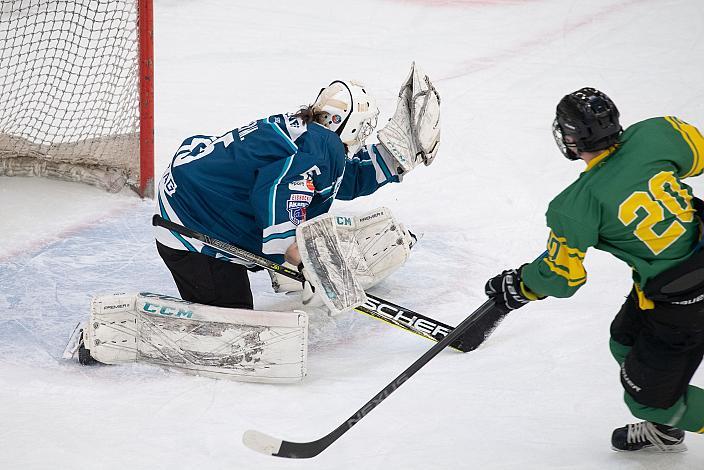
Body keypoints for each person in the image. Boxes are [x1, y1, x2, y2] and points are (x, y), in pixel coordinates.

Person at [484, 87, 704, 452]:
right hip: (672, 281)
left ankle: (662, 418)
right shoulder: (658, 133)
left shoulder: (576, 205)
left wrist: (521, 284)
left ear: (570, 139)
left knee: (648, 401)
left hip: (684, 302)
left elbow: (563, 277)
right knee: (624, 341)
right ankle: (665, 429)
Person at [154, 75, 439, 311]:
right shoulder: (320, 148)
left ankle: (281, 254)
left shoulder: (309, 134)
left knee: (293, 232)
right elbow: (276, 190)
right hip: (191, 229)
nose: (363, 134)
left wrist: (392, 160)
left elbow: (341, 180)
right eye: (363, 127)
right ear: (350, 123)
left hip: (190, 191)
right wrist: (305, 262)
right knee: (235, 318)